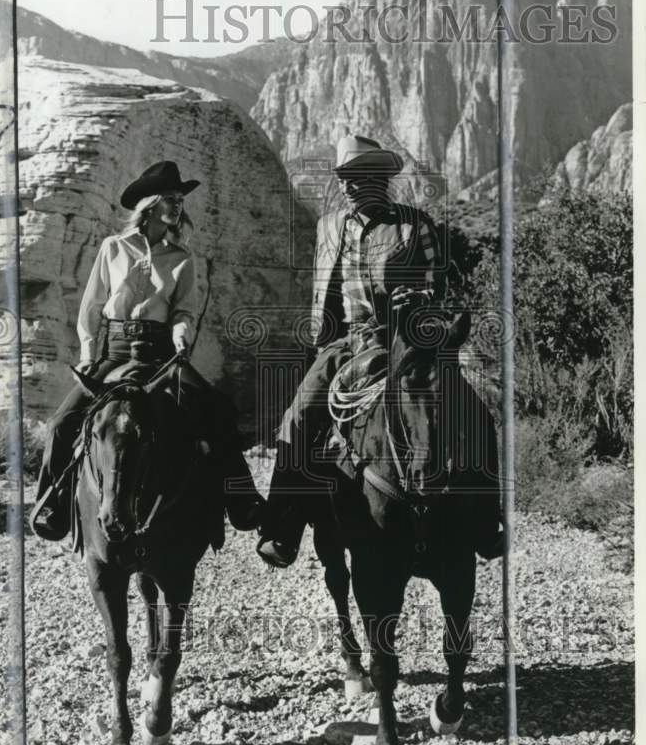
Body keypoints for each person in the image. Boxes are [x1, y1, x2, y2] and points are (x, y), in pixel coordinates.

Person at [256, 135, 503, 568]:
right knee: (297, 416)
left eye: (356, 178)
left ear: (379, 179)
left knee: (473, 409)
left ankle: (486, 521)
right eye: (343, 179)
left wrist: (417, 296)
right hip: (346, 340)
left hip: (405, 336)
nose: (347, 186)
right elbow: (322, 288)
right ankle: (282, 526)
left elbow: (437, 282)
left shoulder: (413, 224)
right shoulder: (329, 225)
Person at [30, 159, 262, 542]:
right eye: (170, 198)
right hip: (115, 349)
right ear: (150, 204)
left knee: (218, 410)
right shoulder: (112, 248)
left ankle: (242, 499)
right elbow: (91, 306)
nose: (177, 206)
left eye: (179, 200)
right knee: (61, 423)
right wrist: (89, 354)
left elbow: (184, 310)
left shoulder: (183, 258)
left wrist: (181, 336)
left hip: (161, 355)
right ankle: (51, 504)